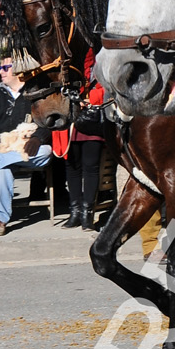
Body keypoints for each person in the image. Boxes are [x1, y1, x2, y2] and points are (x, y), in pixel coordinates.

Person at [0, 59, 53, 236]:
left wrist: (38, 137)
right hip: (4, 146)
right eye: (0, 68)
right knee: (1, 171)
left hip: (27, 151)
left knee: (47, 151)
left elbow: (48, 121)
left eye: (5, 68)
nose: (1, 71)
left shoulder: (37, 95)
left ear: (19, 71)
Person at [58, 47, 105, 230]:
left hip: (91, 117)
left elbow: (103, 84)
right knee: (72, 166)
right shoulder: (68, 55)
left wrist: (91, 98)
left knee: (90, 167)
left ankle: (87, 214)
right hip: (71, 119)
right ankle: (75, 212)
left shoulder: (98, 52)